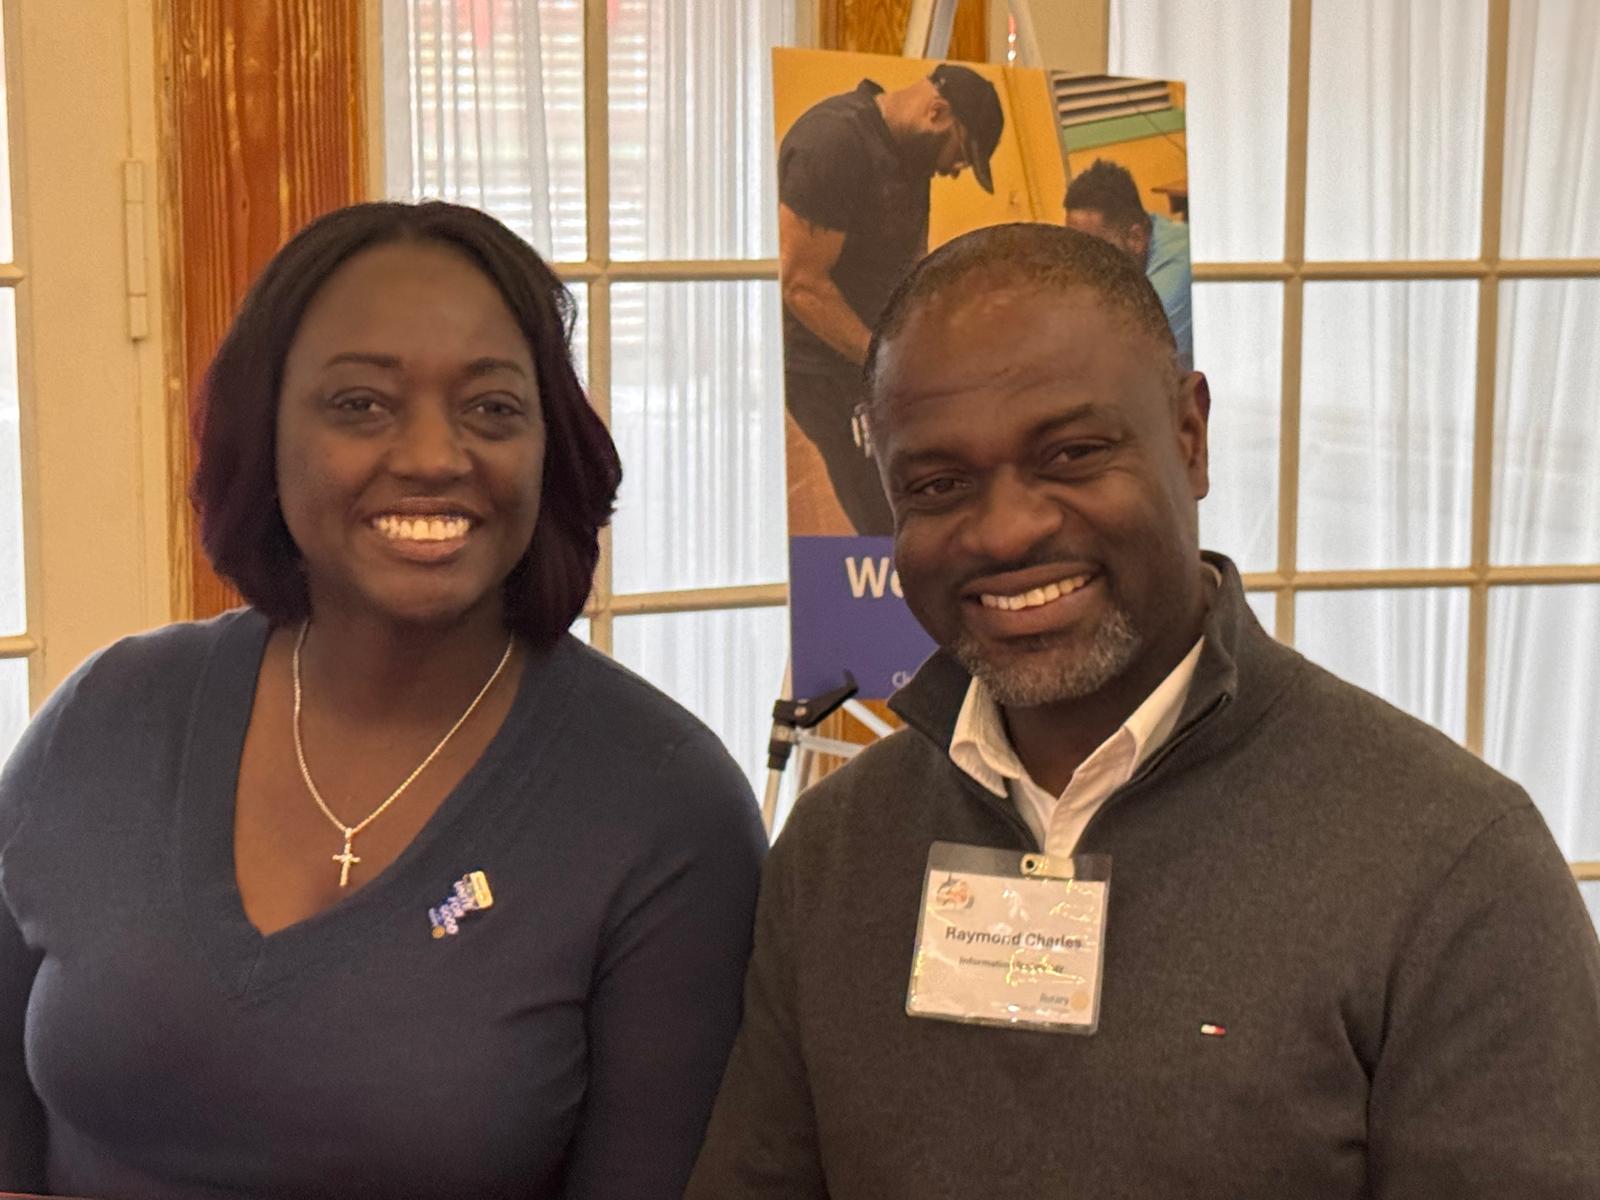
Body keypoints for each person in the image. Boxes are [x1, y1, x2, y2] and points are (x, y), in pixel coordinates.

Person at [688, 224, 1600, 1198]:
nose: (1007, 530)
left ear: (1190, 437)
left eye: (1072, 454)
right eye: (939, 484)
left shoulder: (1452, 864)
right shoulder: (837, 849)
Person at [0, 201, 766, 1199]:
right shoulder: (110, 717)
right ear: (266, 436)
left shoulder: (664, 807)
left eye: (492, 408)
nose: (433, 456)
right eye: (360, 404)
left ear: (550, 449)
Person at [779, 63, 1004, 536]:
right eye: (961, 154)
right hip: (826, 372)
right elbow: (801, 283)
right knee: (886, 518)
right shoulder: (833, 143)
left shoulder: (910, 153)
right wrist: (888, 363)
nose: (955, 170)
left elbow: (908, 257)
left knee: (933, 488)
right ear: (937, 112)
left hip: (880, 361)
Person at [1066, 157, 1193, 371]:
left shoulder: (1174, 277)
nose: (1082, 263)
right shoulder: (1144, 229)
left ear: (1136, 237)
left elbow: (1128, 368)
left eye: (1094, 250)